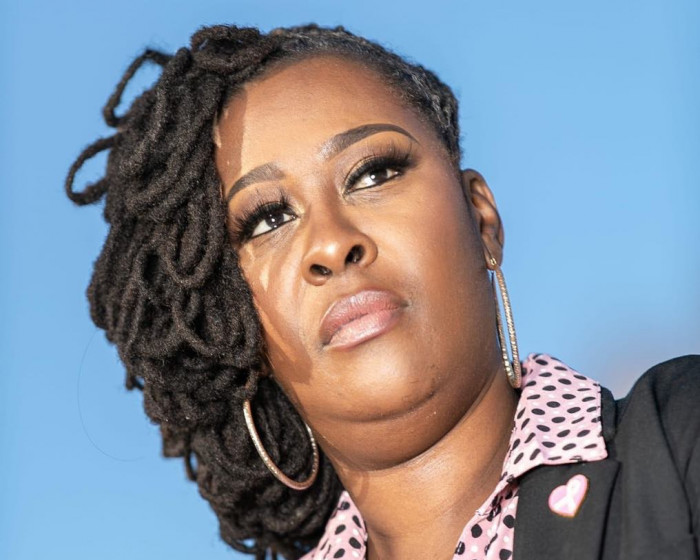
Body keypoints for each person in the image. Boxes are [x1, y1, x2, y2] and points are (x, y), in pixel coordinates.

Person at [65, 24, 700, 560]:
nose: (330, 243)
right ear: (235, 324)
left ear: (482, 218)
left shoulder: (680, 439)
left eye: (373, 174)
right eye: (268, 219)